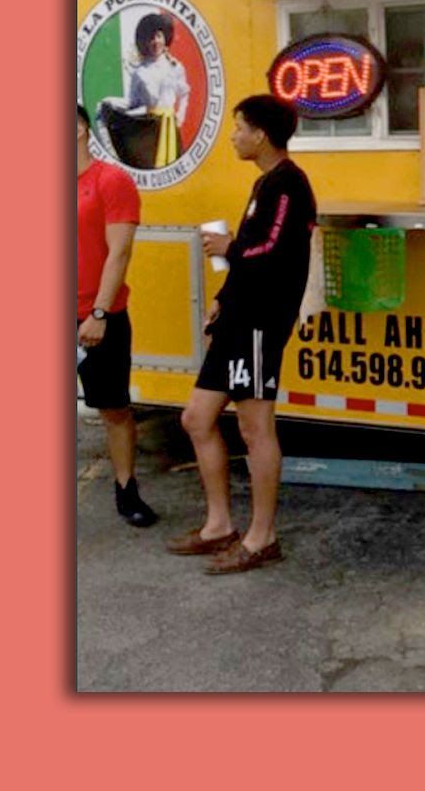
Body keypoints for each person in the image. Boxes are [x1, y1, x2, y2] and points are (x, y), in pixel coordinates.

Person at [166, 96, 317, 574]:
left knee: (255, 428)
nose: (233, 136)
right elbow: (253, 254)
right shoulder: (263, 184)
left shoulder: (289, 183)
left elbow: (272, 248)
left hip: (261, 323)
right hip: (239, 315)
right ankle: (219, 525)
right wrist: (223, 298)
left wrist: (229, 247)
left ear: (262, 135)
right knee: (196, 418)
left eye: (239, 128)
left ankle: (262, 536)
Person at [77, 104, 158, 527]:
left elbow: (119, 252)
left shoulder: (111, 181)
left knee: (113, 409)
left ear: (79, 130)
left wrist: (99, 312)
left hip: (96, 316)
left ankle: (127, 490)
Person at [124, 12, 191, 167]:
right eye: (151, 38)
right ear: (145, 42)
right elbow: (133, 103)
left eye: (159, 36)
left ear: (165, 38)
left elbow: (184, 93)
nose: (155, 42)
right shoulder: (139, 72)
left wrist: (180, 116)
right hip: (148, 128)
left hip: (170, 127)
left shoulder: (175, 67)